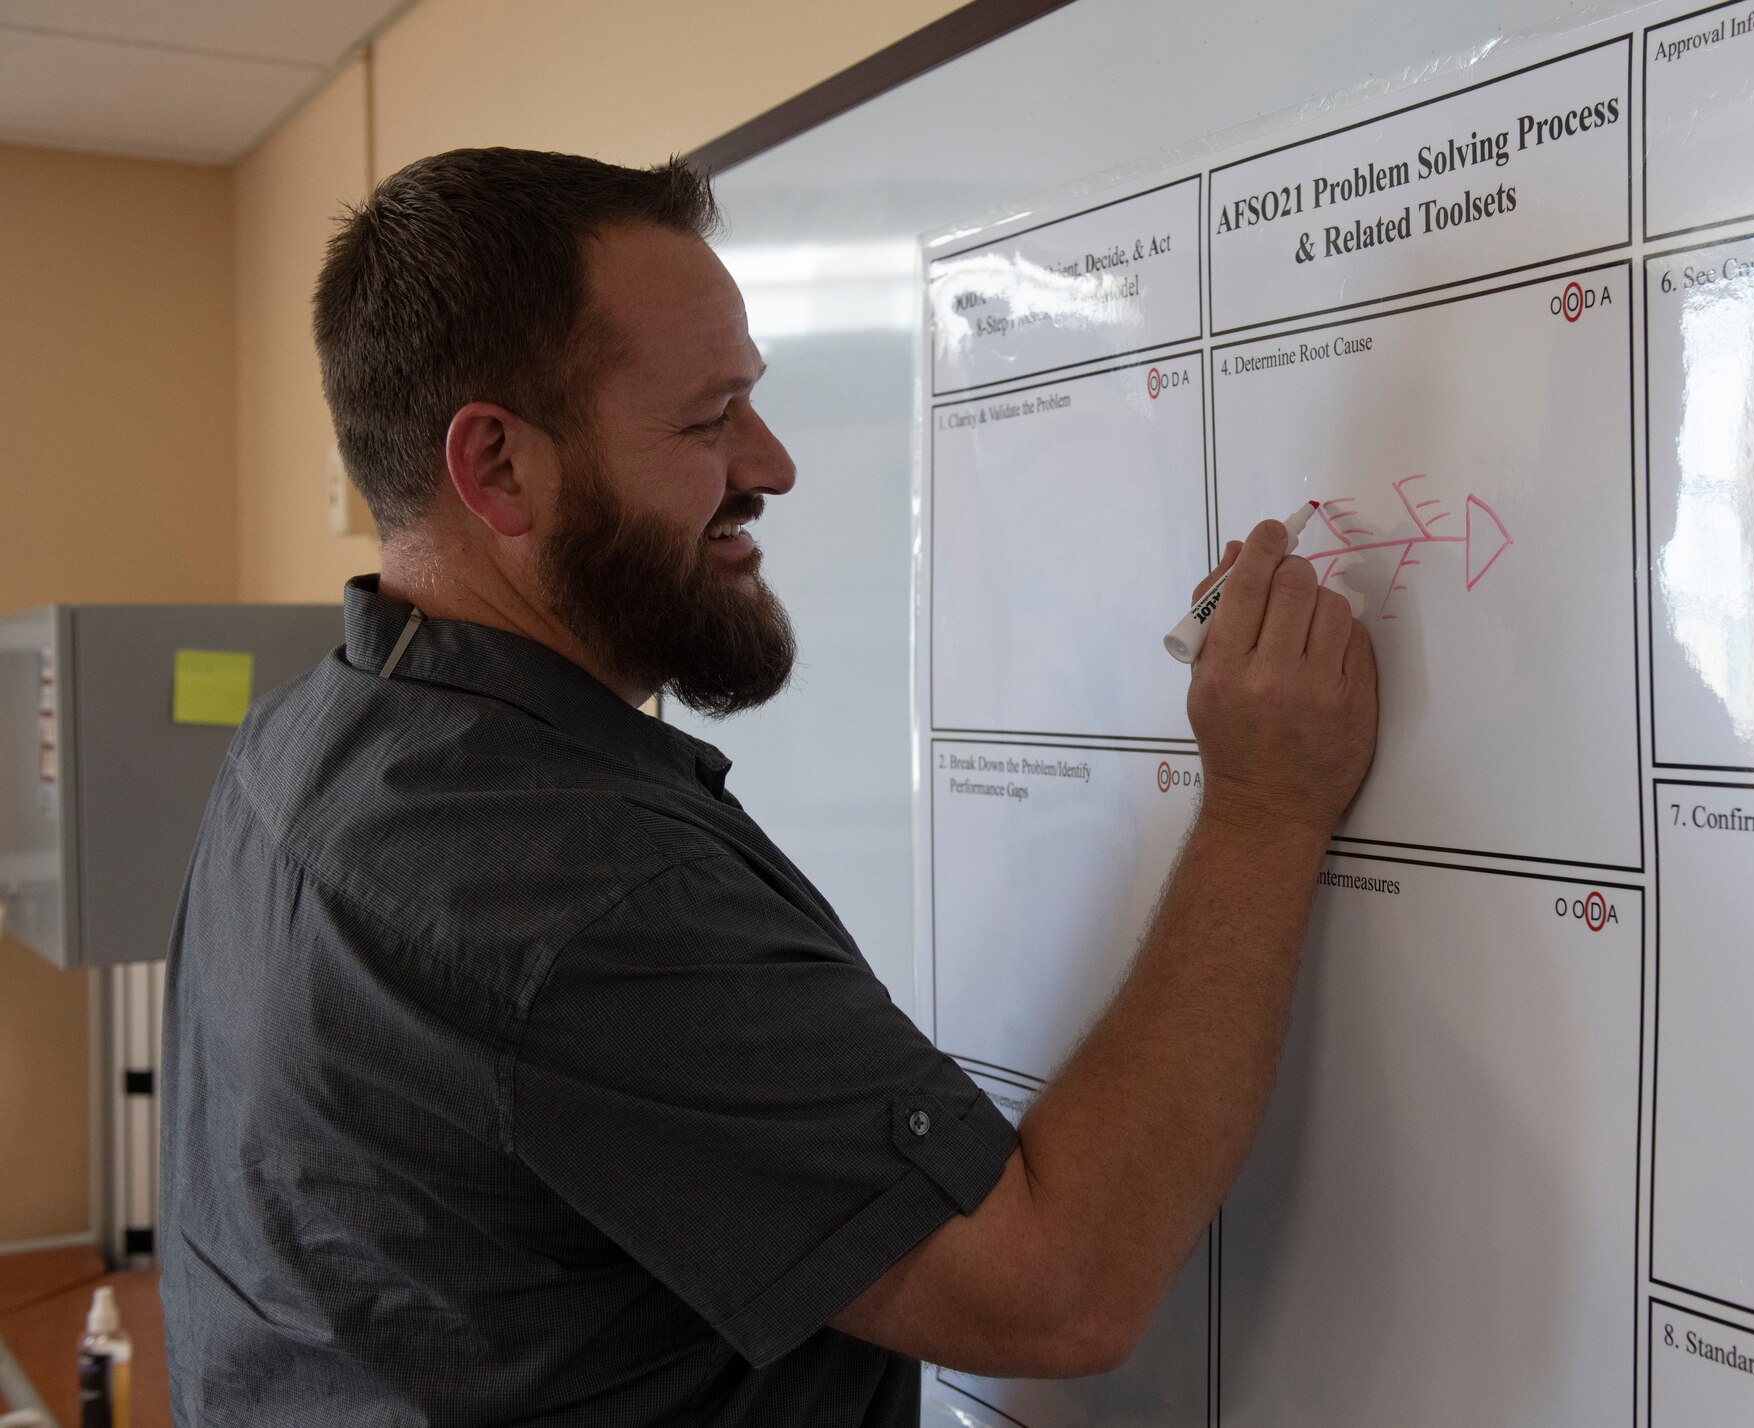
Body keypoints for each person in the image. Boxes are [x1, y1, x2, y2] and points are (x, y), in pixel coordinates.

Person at [159, 148, 1377, 1427]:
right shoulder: (571, 887)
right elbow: (1051, 1292)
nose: (775, 462)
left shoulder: (302, 739)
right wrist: (1261, 806)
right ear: (499, 469)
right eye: (706, 419)